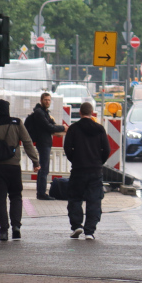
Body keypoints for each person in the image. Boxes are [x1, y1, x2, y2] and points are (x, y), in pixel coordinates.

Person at [0, 99, 41, 242]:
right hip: (13, 166)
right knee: (16, 196)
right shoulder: (16, 123)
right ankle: (16, 227)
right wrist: (35, 161)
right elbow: (27, 142)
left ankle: (3, 230)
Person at [64, 102, 110, 239]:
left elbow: (67, 148)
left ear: (80, 113)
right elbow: (106, 150)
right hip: (95, 170)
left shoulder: (73, 128)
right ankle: (89, 231)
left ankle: (77, 226)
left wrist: (75, 160)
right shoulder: (100, 129)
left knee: (75, 198)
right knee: (94, 200)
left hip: (78, 169)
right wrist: (98, 162)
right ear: (92, 113)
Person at [25, 92, 67, 200]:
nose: (47, 102)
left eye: (49, 100)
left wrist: (59, 128)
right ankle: (41, 193)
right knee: (43, 168)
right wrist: (63, 128)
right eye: (45, 100)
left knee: (44, 168)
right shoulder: (39, 113)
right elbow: (49, 127)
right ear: (41, 100)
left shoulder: (44, 112)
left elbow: (51, 125)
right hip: (43, 143)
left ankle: (41, 192)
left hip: (45, 142)